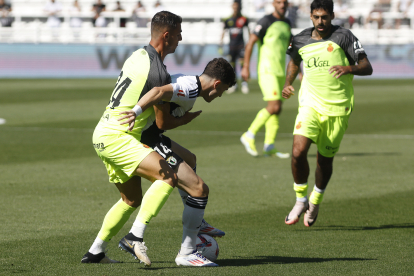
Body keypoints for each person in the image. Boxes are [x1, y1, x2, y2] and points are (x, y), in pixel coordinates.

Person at [81, 11, 184, 265]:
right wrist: (184, 115)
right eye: (179, 34)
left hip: (103, 132)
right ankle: (134, 238)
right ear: (167, 35)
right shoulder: (159, 73)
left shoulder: (138, 55)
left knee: (131, 199)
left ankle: (95, 251)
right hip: (119, 136)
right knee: (168, 175)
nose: (181, 39)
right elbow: (162, 123)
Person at [121, 58, 236, 266]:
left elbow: (161, 121)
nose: (219, 95)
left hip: (153, 134)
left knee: (191, 159)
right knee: (200, 189)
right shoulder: (189, 88)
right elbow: (157, 92)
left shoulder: (190, 84)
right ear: (217, 84)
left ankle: (197, 221)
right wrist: (136, 111)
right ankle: (187, 253)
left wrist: (180, 119)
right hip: (147, 138)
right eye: (222, 91)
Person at [283, 0, 373, 227]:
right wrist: (287, 83)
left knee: (324, 160)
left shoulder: (344, 37)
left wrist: (348, 68)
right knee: (297, 152)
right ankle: (300, 199)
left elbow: (366, 66)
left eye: (325, 17)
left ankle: (315, 200)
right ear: (310, 16)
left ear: (332, 16)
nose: (320, 21)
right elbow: (294, 61)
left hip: (338, 108)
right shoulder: (300, 38)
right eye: (316, 17)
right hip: (309, 105)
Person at [240, 0, 291, 158]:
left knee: (277, 108)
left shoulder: (287, 23)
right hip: (267, 70)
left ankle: (269, 145)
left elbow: (291, 48)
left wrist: (299, 70)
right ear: (273, 4)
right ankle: (249, 134)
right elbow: (250, 43)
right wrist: (246, 66)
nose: (282, 5)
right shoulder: (266, 21)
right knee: (274, 106)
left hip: (280, 71)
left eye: (284, 2)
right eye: (279, 2)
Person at [220, 0, 250, 94]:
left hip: (241, 45)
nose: (235, 8)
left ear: (239, 7)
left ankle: (244, 84)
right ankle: (234, 85)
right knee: (232, 66)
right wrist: (220, 44)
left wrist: (249, 43)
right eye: (234, 7)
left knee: (242, 64)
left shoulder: (244, 19)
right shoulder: (228, 20)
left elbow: (248, 31)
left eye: (237, 7)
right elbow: (223, 32)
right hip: (231, 46)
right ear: (232, 7)